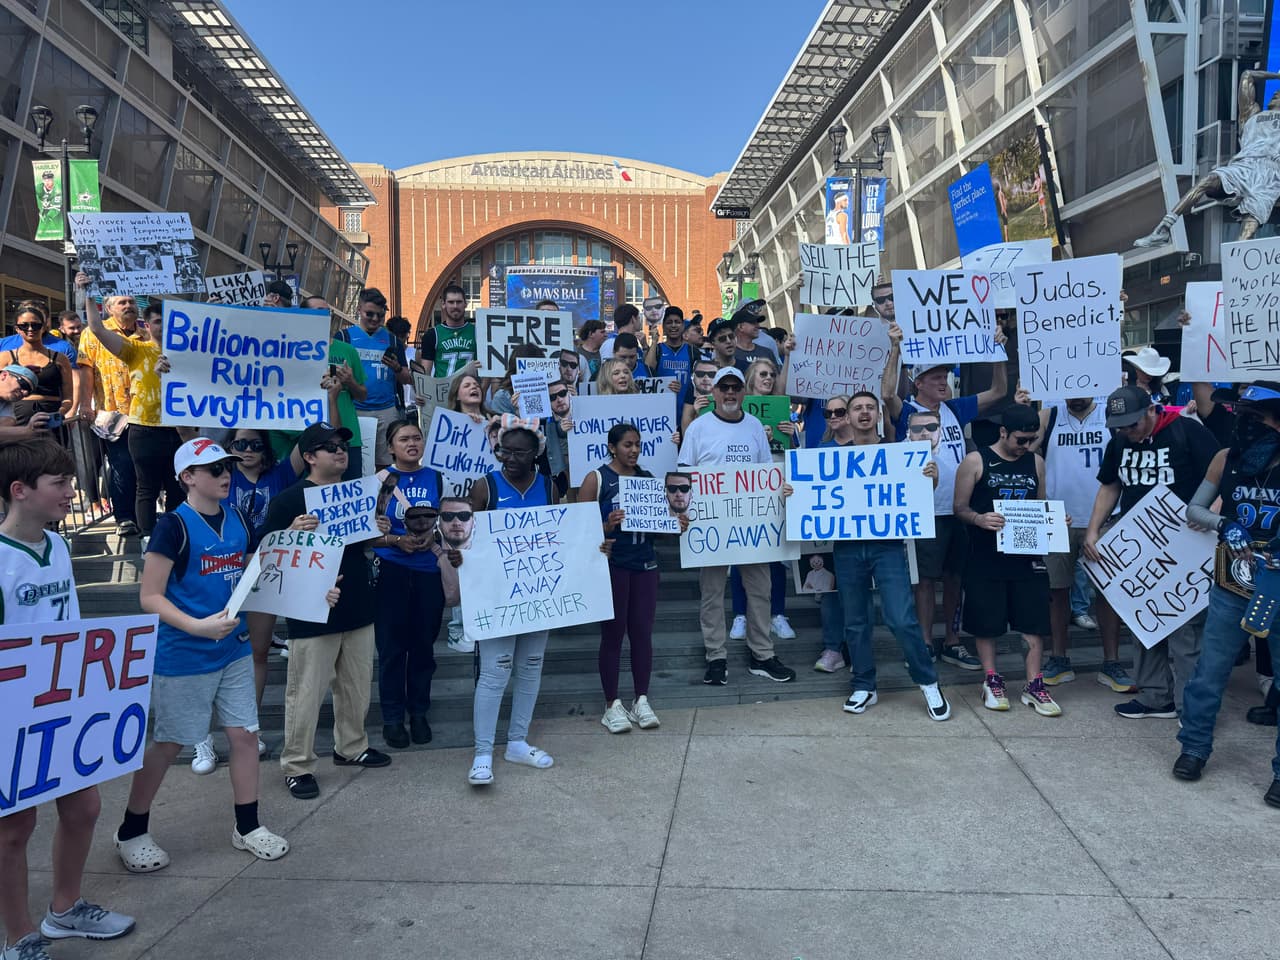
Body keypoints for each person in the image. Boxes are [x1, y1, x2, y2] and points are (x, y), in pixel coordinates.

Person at [114, 438, 300, 875]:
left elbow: (256, 565)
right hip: (184, 654)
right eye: (214, 469)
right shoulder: (172, 526)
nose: (225, 475)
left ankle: (248, 826)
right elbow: (149, 596)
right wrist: (197, 626)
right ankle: (131, 830)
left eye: (227, 468)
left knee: (243, 737)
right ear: (187, 478)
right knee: (168, 744)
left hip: (231, 649)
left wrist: (304, 573)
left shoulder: (235, 517)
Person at [0, 439, 136, 960]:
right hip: (14, 711)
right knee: (15, 827)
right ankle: (18, 937)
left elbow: (70, 625)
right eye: (59, 483)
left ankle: (65, 908)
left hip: (64, 704)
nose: (71, 492)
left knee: (84, 806)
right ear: (20, 491)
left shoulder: (57, 546)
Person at [261, 422, 393, 800]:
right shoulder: (289, 500)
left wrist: (377, 529)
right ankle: (297, 764)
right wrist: (289, 531)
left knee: (355, 686)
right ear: (309, 457)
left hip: (357, 601)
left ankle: (351, 746)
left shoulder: (354, 494)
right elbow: (267, 557)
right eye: (329, 446)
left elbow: (361, 541)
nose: (339, 451)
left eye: (341, 445)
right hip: (310, 609)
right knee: (305, 692)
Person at [1172, 382, 1280, 808]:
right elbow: (1193, 509)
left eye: (1256, 418)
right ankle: (1194, 748)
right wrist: (1223, 524)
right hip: (1232, 583)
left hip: (1277, 582)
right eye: (1242, 417)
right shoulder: (1226, 457)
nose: (1246, 425)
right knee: (1209, 671)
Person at [812, 391, 950, 718]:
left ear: (878, 414)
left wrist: (932, 478)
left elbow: (917, 493)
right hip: (846, 546)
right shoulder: (831, 456)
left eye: (869, 408)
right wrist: (795, 491)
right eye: (856, 408)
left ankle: (928, 682)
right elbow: (811, 492)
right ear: (845, 416)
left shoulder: (897, 453)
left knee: (901, 618)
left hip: (887, 545)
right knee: (856, 621)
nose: (863, 413)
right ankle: (864, 685)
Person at [1084, 385, 1219, 718]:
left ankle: (1192, 709)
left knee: (1187, 634)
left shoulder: (1186, 431)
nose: (1128, 431)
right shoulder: (1119, 442)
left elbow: (1222, 476)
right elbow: (1110, 484)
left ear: (1151, 410)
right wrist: (1093, 529)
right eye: (1120, 426)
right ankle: (1154, 697)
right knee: (1143, 623)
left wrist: (1211, 513)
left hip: (1185, 546)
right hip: (1140, 547)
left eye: (1132, 424)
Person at [882, 319, 1009, 669]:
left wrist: (998, 351)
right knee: (924, 581)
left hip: (959, 509)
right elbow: (886, 395)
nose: (944, 382)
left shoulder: (954, 408)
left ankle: (952, 641)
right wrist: (895, 348)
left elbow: (999, 391)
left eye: (946, 376)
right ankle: (924, 642)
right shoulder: (907, 411)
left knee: (955, 578)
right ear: (919, 382)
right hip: (924, 510)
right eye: (936, 377)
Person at [680, 367, 796, 684]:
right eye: (724, 387)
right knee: (712, 594)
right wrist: (683, 510)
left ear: (743, 392)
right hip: (712, 526)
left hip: (751, 524)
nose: (730, 393)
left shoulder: (755, 426)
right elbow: (684, 474)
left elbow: (766, 471)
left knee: (760, 590)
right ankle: (716, 656)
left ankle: (762, 654)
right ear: (714, 392)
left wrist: (780, 489)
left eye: (735, 387)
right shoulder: (698, 428)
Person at [953, 405, 1062, 716]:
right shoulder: (976, 460)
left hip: (1026, 554)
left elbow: (1040, 505)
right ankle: (991, 679)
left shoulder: (1036, 462)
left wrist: (1053, 521)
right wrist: (978, 518)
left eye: (1031, 440)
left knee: (1033, 619)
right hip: (985, 552)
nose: (1026, 446)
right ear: (1003, 432)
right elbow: (959, 507)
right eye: (1021, 440)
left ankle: (1034, 684)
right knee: (987, 620)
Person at [580, 423, 688, 733]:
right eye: (628, 445)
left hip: (645, 567)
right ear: (612, 446)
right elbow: (578, 530)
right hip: (613, 568)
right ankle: (611, 703)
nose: (634, 450)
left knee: (642, 634)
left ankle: (641, 699)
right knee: (613, 635)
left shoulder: (648, 480)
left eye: (638, 445)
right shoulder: (597, 478)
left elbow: (660, 529)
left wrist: (676, 525)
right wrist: (606, 525)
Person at [467, 422, 560, 785]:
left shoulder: (548, 486)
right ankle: (482, 752)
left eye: (519, 452)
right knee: (494, 672)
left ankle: (517, 742)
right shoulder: (485, 485)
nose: (509, 458)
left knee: (531, 667)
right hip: (496, 596)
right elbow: (464, 534)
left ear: (535, 454)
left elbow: (562, 535)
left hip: (537, 593)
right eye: (504, 451)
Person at [1036, 396, 1138, 693]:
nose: (1075, 394)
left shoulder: (1108, 416)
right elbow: (1027, 448)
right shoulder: (1050, 415)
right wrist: (1033, 409)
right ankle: (1059, 658)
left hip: (1103, 519)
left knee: (1107, 594)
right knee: (1057, 591)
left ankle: (1111, 662)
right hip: (1058, 518)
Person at [78, 278, 183, 539]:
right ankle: (148, 538)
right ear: (148, 325)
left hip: (180, 430)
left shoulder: (189, 351)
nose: (163, 326)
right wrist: (89, 295)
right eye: (158, 321)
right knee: (145, 488)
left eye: (169, 321)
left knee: (177, 485)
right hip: (145, 428)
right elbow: (97, 330)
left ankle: (173, 535)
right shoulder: (137, 350)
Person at [372, 420, 447, 749]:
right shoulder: (380, 481)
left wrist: (436, 535)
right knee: (391, 648)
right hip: (392, 570)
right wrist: (393, 541)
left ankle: (419, 713)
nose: (411, 443)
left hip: (428, 571)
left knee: (423, 647)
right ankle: (391, 717)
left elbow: (452, 519)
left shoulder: (436, 477)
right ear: (391, 447)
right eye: (404, 439)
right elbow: (367, 531)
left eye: (416, 437)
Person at [728, 357, 796, 642]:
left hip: (775, 487)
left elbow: (793, 454)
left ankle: (776, 614)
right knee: (739, 553)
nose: (768, 378)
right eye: (763, 374)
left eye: (772, 374)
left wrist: (792, 437)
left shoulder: (783, 411)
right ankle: (741, 614)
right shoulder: (736, 414)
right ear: (750, 379)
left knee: (776, 555)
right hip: (743, 489)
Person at [76, 294, 145, 536]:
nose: (128, 306)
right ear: (108, 308)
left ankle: (143, 517)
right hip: (114, 413)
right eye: (122, 303)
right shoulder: (94, 332)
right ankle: (124, 516)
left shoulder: (147, 333)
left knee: (144, 466)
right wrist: (85, 404)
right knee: (122, 464)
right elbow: (86, 370)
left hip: (146, 413)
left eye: (132, 302)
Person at [297, 295, 369, 481]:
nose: (325, 316)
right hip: (308, 435)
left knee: (349, 491)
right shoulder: (293, 349)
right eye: (319, 312)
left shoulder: (347, 350)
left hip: (346, 437)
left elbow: (362, 395)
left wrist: (351, 381)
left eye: (328, 312)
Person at [336, 288, 409, 468]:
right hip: (353, 409)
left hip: (386, 410)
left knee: (388, 464)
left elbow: (408, 379)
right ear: (359, 309)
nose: (375, 319)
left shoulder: (392, 341)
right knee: (355, 463)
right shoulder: (344, 337)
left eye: (380, 315)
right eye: (370, 314)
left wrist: (397, 368)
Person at [1, 303, 73, 426]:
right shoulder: (6, 356)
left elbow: (68, 397)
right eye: (24, 325)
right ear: (17, 328)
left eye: (35, 325)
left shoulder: (60, 358)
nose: (30, 329)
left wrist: (59, 414)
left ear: (44, 327)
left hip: (51, 419)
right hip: (16, 419)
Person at [419, 283, 477, 377]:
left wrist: (483, 388)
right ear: (443, 304)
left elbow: (487, 367)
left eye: (459, 302)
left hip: (468, 389)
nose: (455, 306)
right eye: (451, 302)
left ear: (465, 304)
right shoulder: (432, 335)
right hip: (442, 389)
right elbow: (426, 373)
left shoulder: (478, 332)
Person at [645, 306, 693, 390]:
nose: (673, 325)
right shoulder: (657, 349)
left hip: (686, 403)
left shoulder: (692, 351)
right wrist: (654, 341)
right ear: (663, 326)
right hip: (663, 401)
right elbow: (648, 369)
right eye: (669, 322)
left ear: (683, 326)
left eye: (677, 322)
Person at [729, 301, 778, 370]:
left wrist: (787, 356)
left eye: (757, 322)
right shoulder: (728, 353)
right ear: (740, 327)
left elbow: (777, 378)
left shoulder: (767, 352)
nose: (758, 326)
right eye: (752, 322)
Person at [680, 357, 720, 434]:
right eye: (700, 374)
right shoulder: (690, 392)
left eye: (712, 374)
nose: (706, 378)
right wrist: (696, 415)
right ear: (693, 376)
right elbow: (687, 437)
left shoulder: (728, 397)